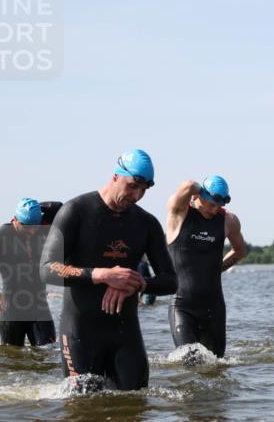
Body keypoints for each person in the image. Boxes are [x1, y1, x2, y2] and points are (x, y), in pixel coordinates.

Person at [39, 149, 177, 390]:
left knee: (135, 408)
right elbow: (47, 269)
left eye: (144, 189)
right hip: (80, 333)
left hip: (125, 336)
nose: (137, 195)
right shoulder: (76, 211)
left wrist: (138, 283)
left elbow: (171, 280)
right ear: (115, 176)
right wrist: (100, 275)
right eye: (133, 186)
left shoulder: (147, 223)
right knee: (81, 414)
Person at [165, 175, 246, 357]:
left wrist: (218, 268)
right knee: (190, 359)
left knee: (216, 366)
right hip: (182, 306)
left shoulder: (228, 221)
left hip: (214, 307)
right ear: (197, 196)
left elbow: (239, 251)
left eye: (219, 206)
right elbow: (186, 185)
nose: (214, 209)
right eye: (211, 204)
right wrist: (197, 189)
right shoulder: (179, 212)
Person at [0, 198, 62, 345]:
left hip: (39, 306)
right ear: (15, 219)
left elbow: (59, 207)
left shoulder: (42, 225)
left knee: (48, 353)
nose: (32, 231)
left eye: (35, 226)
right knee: (11, 357)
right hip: (11, 309)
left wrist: (34, 207)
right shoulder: (0, 236)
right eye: (27, 226)